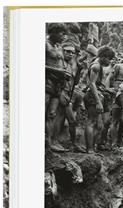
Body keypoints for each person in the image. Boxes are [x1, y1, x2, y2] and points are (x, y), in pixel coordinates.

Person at [51, 42, 84, 152]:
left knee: (62, 118)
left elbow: (75, 82)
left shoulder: (70, 64)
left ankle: (65, 143)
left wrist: (79, 69)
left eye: (72, 52)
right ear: (62, 51)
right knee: (66, 119)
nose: (70, 54)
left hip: (67, 94)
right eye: (67, 51)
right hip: (59, 93)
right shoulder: (59, 62)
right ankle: (56, 142)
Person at [83, 46, 116, 153]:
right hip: (93, 96)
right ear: (103, 56)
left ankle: (95, 146)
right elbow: (91, 84)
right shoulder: (96, 66)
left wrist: (107, 90)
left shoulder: (98, 65)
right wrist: (98, 101)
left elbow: (97, 83)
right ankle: (90, 149)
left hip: (100, 94)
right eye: (109, 59)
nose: (110, 62)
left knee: (101, 123)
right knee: (92, 122)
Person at [45, 23, 68, 151]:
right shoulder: (45, 44)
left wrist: (63, 75)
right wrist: (57, 71)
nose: (63, 36)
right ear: (53, 32)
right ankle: (45, 142)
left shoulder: (58, 47)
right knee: (42, 112)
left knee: (52, 114)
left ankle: (51, 141)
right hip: (46, 82)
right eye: (61, 33)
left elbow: (61, 64)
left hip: (57, 85)